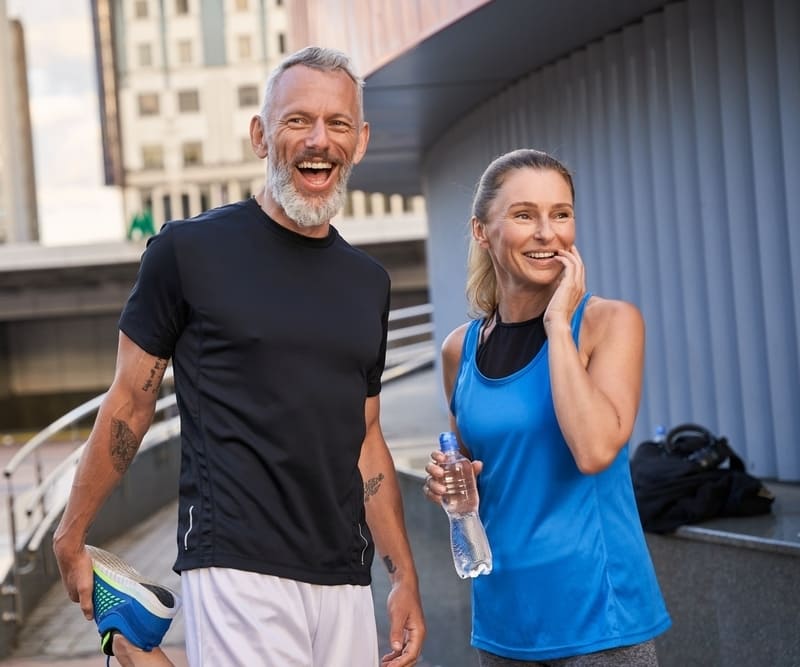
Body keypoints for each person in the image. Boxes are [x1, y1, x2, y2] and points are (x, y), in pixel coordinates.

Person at [53, 46, 426, 667]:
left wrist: (405, 576)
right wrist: (71, 534)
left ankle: (128, 645)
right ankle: (126, 644)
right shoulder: (188, 251)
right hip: (235, 559)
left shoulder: (369, 284)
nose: (319, 140)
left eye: (337, 124)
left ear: (360, 143)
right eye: (297, 120)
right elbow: (130, 401)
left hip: (344, 571)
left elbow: (364, 437)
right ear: (260, 134)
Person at [423, 149, 671, 666]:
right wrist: (449, 485)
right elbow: (475, 476)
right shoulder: (459, 350)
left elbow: (595, 450)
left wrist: (558, 324)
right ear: (481, 231)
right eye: (523, 215)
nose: (546, 232)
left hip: (599, 623)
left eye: (560, 214)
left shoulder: (609, 323)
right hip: (503, 620)